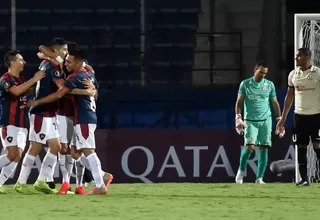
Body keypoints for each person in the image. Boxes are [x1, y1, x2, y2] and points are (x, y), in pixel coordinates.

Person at [28, 48, 113, 195]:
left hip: (83, 118)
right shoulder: (89, 74)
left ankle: (100, 185)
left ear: (79, 62)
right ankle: (102, 176)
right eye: (65, 59)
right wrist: (86, 92)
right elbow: (94, 93)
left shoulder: (75, 77)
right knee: (75, 153)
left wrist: (38, 102)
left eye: (69, 61)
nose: (66, 63)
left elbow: (60, 93)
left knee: (89, 151)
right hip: (84, 117)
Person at [14, 38, 93, 194]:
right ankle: (21, 182)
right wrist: (86, 92)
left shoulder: (53, 64)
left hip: (50, 113)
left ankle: (41, 181)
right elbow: (61, 88)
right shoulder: (52, 66)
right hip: (41, 112)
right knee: (35, 148)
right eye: (63, 50)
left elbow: (41, 51)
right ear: (56, 51)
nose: (66, 53)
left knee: (57, 147)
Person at [38, 41, 93, 194]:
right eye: (64, 50)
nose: (65, 55)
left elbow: (92, 87)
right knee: (64, 148)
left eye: (67, 51)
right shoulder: (61, 62)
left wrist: (91, 91)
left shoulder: (81, 67)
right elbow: (42, 48)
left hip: (76, 112)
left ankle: (82, 183)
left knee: (77, 150)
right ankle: (66, 182)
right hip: (63, 111)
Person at [0, 50, 45, 193]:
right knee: (12, 155)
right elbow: (15, 92)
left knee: (17, 156)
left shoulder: (21, 80)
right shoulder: (5, 79)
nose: (23, 62)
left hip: (22, 124)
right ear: (12, 62)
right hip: (9, 122)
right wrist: (34, 79)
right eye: (21, 60)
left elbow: (27, 92)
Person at [235, 60, 284, 184]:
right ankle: (241, 172)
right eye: (261, 72)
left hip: (265, 120)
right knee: (250, 148)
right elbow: (239, 102)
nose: (262, 75)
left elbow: (275, 103)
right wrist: (238, 118)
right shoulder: (245, 84)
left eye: (265, 73)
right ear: (255, 70)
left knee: (264, 148)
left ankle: (259, 178)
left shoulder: (269, 85)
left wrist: (279, 120)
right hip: (250, 121)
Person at [277, 47, 320, 186]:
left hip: (316, 117)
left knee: (318, 147)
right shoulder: (292, 75)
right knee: (301, 148)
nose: (296, 58)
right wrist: (283, 118)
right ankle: (304, 179)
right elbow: (289, 98)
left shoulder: (318, 73)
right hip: (299, 117)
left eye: (299, 56)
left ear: (307, 57)